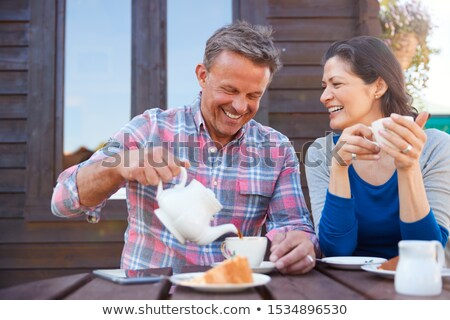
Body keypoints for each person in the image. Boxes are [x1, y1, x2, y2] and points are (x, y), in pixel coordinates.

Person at [51, 21, 319, 274]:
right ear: (202, 76)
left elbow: (293, 225)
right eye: (230, 90)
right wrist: (119, 166)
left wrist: (301, 243)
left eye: (253, 96)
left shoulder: (276, 148)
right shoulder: (150, 128)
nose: (240, 106)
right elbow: (62, 201)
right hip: (152, 296)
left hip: (234, 295)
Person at [305, 36, 450, 265]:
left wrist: (408, 168)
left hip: (414, 286)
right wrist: (339, 169)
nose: (324, 97)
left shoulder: (436, 147)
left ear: (378, 87)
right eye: (324, 87)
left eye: (337, 84)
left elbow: (427, 253)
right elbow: (335, 251)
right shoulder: (320, 152)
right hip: (345, 286)